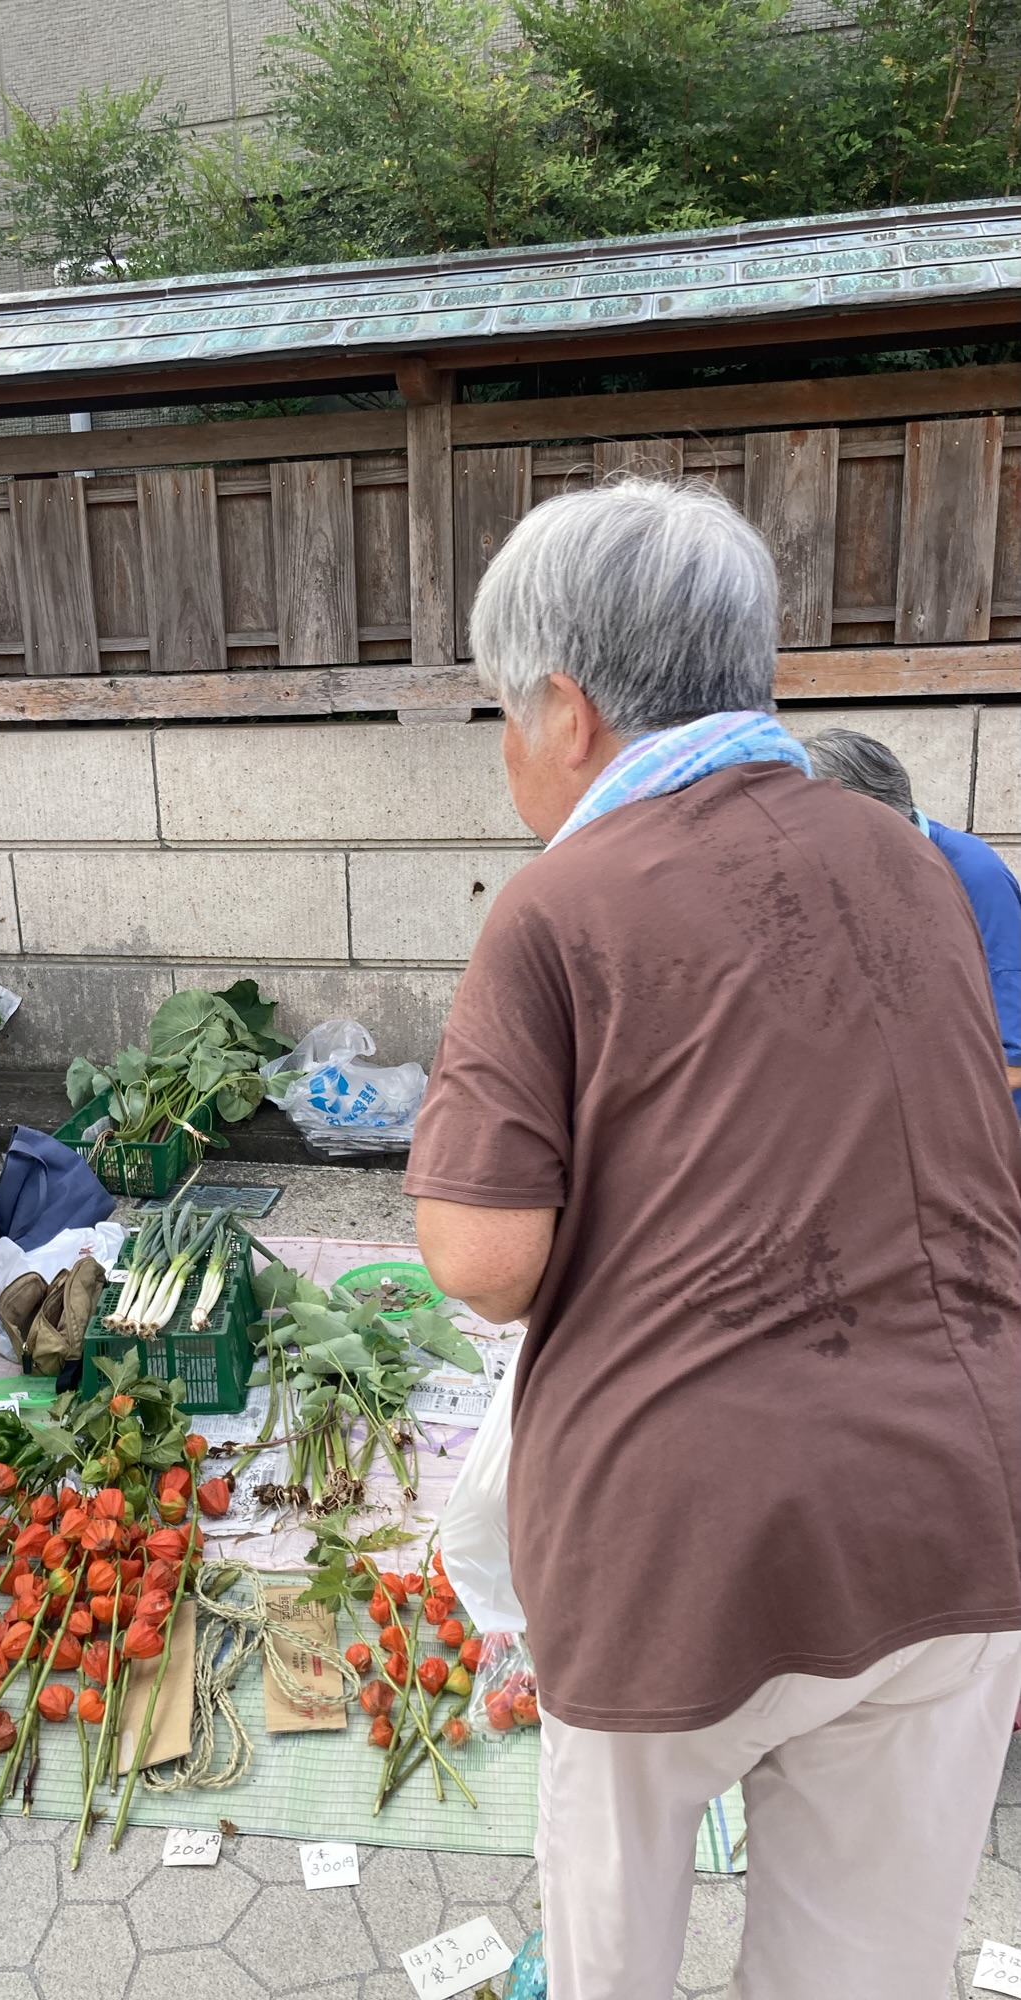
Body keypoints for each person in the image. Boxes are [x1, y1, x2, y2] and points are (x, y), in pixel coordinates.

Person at [405, 479, 1021, 2000]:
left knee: (619, 1959)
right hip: (957, 1517)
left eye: (501, 712)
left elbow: (482, 1261)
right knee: (861, 1973)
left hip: (682, 1551)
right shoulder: (918, 864)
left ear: (569, 708)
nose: (505, 751)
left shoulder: (558, 905)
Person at [805, 726, 1021, 1113]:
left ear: (864, 811)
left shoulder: (970, 871)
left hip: (970, 1121)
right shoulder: (841, 868)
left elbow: (1014, 1051)